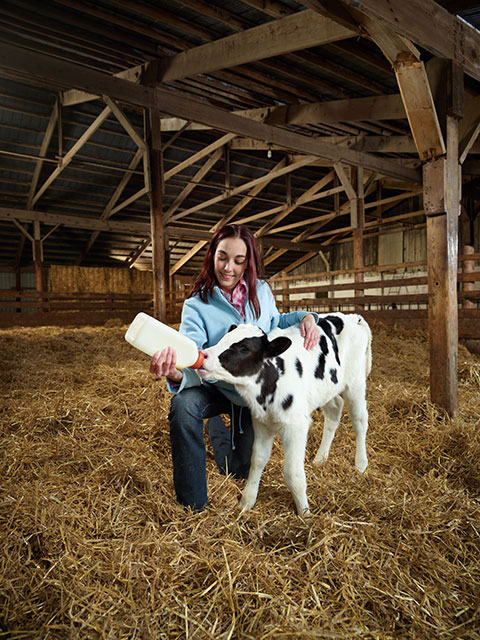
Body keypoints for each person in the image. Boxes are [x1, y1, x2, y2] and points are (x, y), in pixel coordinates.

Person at [149, 224, 320, 512]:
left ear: (248, 262)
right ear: (211, 256)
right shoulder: (196, 305)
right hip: (215, 387)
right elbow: (192, 356)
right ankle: (193, 504)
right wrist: (175, 372)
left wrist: (306, 318)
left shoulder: (261, 291)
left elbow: (276, 323)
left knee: (238, 470)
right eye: (222, 257)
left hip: (254, 393)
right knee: (183, 405)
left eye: (239, 260)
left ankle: (219, 428)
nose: (229, 268)